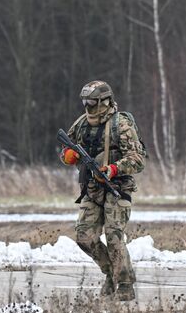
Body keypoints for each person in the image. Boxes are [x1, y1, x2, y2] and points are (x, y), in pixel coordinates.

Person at [59, 80, 146, 301]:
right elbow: (66, 148)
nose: (87, 106)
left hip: (117, 188)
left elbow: (138, 159)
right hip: (91, 189)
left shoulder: (121, 124)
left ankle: (125, 283)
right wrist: (68, 156)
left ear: (105, 101)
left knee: (115, 236)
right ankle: (110, 273)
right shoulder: (81, 124)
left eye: (92, 101)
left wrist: (114, 169)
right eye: (85, 101)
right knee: (84, 237)